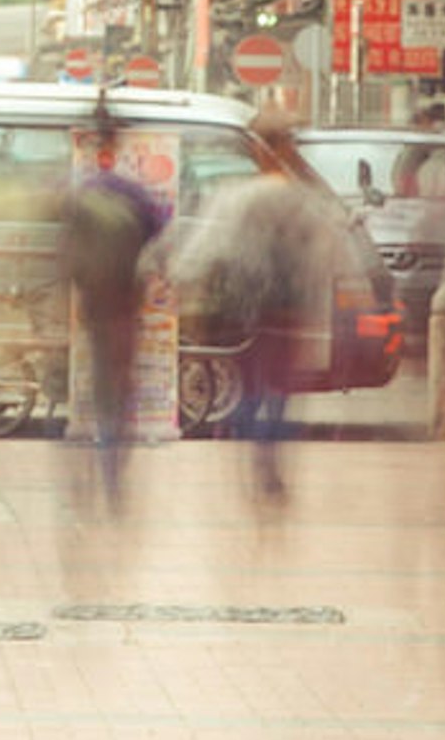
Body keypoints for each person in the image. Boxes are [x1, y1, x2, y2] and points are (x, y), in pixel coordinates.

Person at [188, 123, 342, 517]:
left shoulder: (238, 198)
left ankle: (256, 460)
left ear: (260, 151)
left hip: (247, 310)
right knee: (279, 396)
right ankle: (268, 466)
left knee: (252, 391)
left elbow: (210, 250)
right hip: (289, 312)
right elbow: (323, 256)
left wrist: (186, 286)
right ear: (286, 149)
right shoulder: (303, 201)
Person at [61, 123, 171, 512]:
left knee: (102, 383)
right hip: (126, 303)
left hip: (94, 304)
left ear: (94, 150)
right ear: (117, 148)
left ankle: (96, 458)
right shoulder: (134, 194)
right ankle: (112, 473)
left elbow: (67, 251)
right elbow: (162, 227)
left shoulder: (81, 194)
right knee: (121, 387)